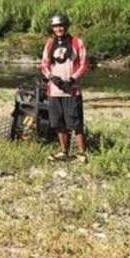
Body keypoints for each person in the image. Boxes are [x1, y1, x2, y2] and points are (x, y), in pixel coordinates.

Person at [41, 14, 89, 161]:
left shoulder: (77, 42)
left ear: (66, 27)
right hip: (54, 90)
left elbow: (84, 64)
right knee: (57, 122)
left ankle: (81, 154)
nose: (58, 29)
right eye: (55, 26)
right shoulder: (50, 44)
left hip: (71, 90)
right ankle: (64, 152)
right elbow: (44, 64)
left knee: (76, 123)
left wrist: (73, 79)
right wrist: (51, 77)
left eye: (61, 26)